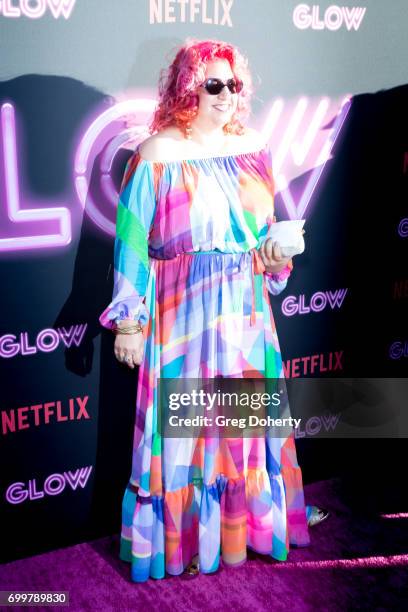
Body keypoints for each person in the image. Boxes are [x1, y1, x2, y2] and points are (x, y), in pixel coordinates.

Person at [99, 38, 328, 583]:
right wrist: (129, 319)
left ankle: (245, 526)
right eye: (214, 85)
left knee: (242, 429)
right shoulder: (156, 154)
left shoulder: (253, 147)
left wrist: (275, 257)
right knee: (184, 432)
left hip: (243, 310)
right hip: (181, 312)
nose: (228, 96)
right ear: (187, 88)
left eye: (235, 85)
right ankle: (184, 540)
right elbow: (130, 242)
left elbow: (265, 233)